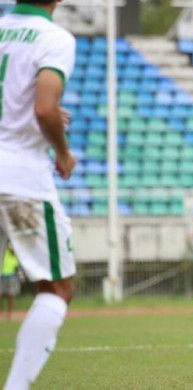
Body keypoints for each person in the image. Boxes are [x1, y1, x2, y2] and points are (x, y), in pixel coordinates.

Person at [0, 1, 77, 388]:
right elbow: (44, 108)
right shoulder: (53, 38)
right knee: (57, 287)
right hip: (19, 179)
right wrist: (62, 152)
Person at [1, 244, 21, 320]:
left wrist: (10, 248)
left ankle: (10, 314)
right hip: (1, 273)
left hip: (11, 273)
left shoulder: (13, 245)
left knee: (11, 294)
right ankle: (1, 313)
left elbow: (17, 255)